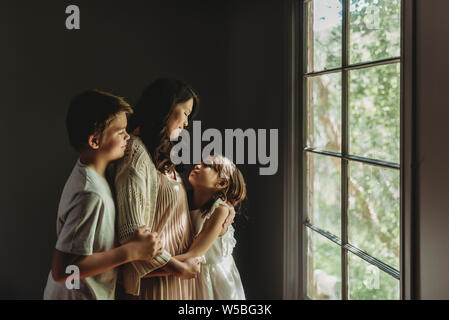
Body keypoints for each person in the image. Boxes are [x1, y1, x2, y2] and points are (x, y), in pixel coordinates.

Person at [112, 78, 235, 299]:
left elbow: (171, 211)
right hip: (158, 284)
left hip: (176, 280)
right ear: (167, 107)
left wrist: (222, 208)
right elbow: (131, 234)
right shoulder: (135, 153)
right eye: (186, 113)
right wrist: (176, 267)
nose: (187, 123)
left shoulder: (155, 154)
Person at [43, 89, 164, 300]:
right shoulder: (90, 194)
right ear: (95, 141)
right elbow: (62, 271)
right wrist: (131, 251)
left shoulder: (94, 175)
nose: (128, 136)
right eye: (120, 132)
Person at [148, 155, 247, 299]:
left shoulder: (220, 210)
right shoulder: (183, 197)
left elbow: (193, 254)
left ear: (221, 183)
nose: (198, 165)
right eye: (200, 162)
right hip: (191, 275)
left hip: (213, 279)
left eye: (207, 165)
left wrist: (149, 269)